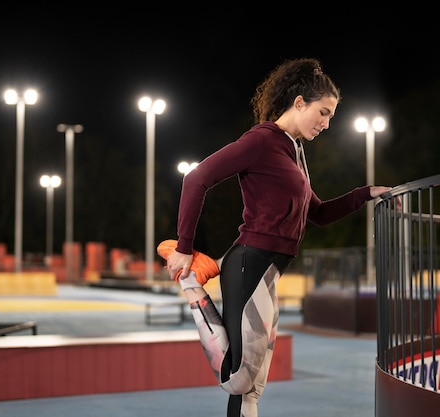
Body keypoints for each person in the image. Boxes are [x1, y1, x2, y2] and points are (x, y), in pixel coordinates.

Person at [157, 57, 396, 417]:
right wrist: (185, 249)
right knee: (238, 378)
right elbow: (196, 179)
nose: (327, 123)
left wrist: (366, 193)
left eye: (331, 116)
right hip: (249, 264)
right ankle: (192, 286)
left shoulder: (294, 150)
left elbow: (317, 214)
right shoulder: (261, 141)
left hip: (269, 271)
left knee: (253, 388)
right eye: (324, 112)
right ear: (299, 102)